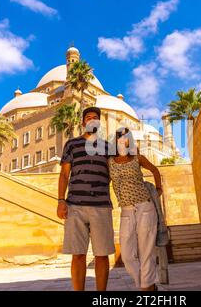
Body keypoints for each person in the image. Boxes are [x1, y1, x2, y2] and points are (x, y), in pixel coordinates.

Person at [57, 106, 115, 291]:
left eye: (95, 118)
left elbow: (116, 173)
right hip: (75, 206)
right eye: (88, 117)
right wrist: (60, 201)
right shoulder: (72, 144)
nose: (91, 120)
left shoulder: (108, 147)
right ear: (83, 122)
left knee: (102, 255)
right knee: (78, 255)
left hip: (102, 207)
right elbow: (64, 174)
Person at [108, 127, 163, 291]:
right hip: (126, 211)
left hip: (145, 206)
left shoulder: (137, 158)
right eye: (119, 137)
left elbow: (155, 170)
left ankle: (146, 289)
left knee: (146, 251)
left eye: (125, 137)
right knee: (126, 254)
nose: (122, 139)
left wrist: (158, 189)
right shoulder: (109, 161)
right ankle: (145, 285)